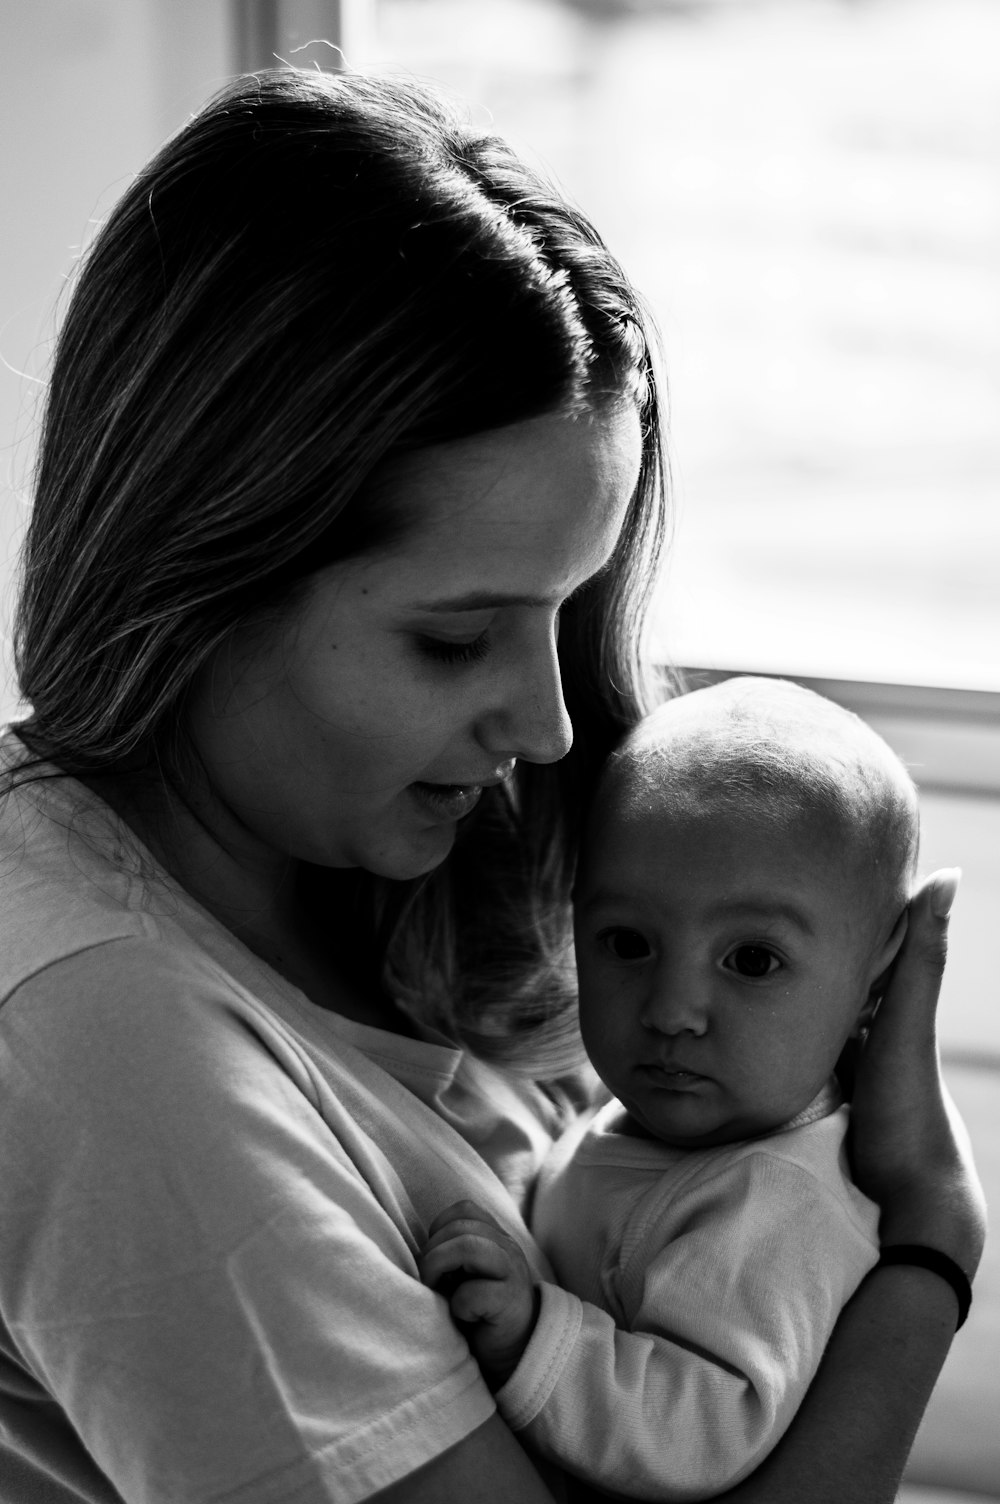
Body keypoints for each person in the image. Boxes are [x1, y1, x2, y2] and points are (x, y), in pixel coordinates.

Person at [0, 66, 984, 1504]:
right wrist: (928, 1252)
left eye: (565, 613)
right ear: (203, 572)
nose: (547, 725)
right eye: (455, 638)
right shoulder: (113, 1054)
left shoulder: (359, 861)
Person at [419, 675, 934, 1500]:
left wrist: (532, 1334)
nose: (672, 1011)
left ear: (877, 973)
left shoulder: (777, 1199)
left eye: (752, 960)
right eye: (626, 942)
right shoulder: (666, 1115)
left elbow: (703, 1425)